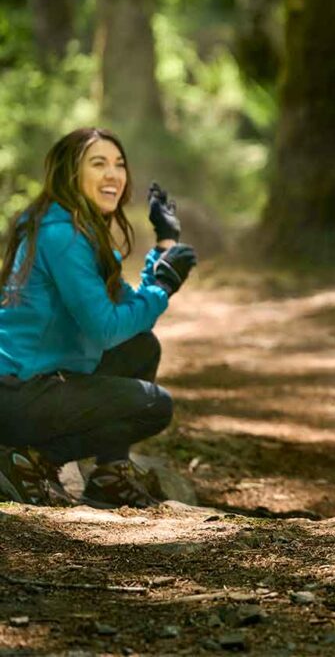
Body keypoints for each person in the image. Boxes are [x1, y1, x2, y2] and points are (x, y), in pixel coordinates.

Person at [0, 127, 197, 508]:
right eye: (99, 164)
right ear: (71, 175)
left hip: (33, 386)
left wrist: (163, 248)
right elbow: (105, 328)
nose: (114, 174)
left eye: (119, 164)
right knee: (154, 406)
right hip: (14, 392)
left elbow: (129, 315)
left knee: (141, 347)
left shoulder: (78, 231)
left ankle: (110, 476)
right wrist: (163, 287)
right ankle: (27, 460)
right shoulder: (64, 237)